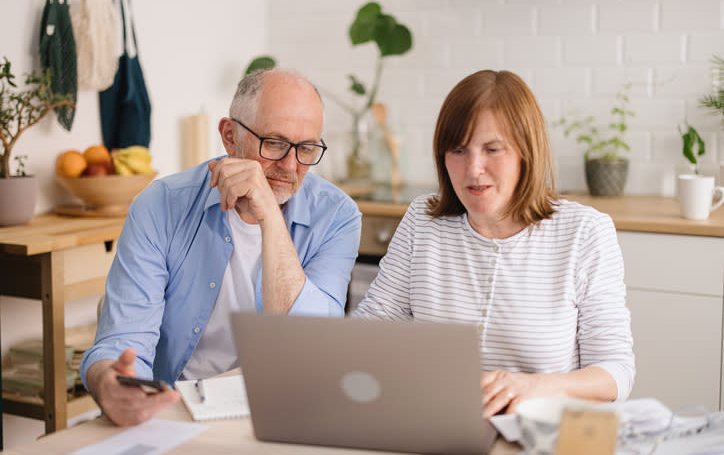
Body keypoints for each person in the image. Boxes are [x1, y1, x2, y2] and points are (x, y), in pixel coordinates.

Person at [81, 69, 362, 426]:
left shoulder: (337, 216)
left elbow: (311, 350)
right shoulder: (160, 206)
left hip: (285, 409)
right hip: (174, 412)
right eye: (274, 143)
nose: (291, 166)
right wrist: (112, 385)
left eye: (307, 148)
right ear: (230, 136)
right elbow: (122, 342)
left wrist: (270, 219)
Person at [353, 70, 635, 418]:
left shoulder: (584, 231)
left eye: (492, 149)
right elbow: (371, 327)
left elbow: (616, 374)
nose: (474, 169)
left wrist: (535, 386)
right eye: (458, 149)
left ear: (525, 152)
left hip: (539, 435)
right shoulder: (423, 221)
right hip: (436, 425)